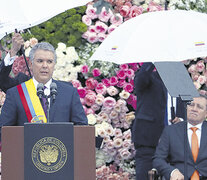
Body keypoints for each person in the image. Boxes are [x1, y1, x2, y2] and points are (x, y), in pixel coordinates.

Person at [0, 42, 88, 140]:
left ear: (54, 65)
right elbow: (4, 132)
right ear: (30, 64)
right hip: (26, 153)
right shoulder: (16, 94)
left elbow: (82, 128)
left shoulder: (69, 92)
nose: (45, 65)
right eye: (40, 61)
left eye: (49, 61)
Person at [131, 62, 185, 180]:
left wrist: (181, 119)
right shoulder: (149, 76)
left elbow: (191, 106)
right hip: (149, 140)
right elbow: (140, 81)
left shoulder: (182, 79)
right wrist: (151, 59)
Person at [153, 95, 207, 179]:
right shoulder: (170, 131)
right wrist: (172, 172)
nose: (194, 109)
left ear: (206, 113)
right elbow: (158, 159)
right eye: (191, 105)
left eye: (199, 107)